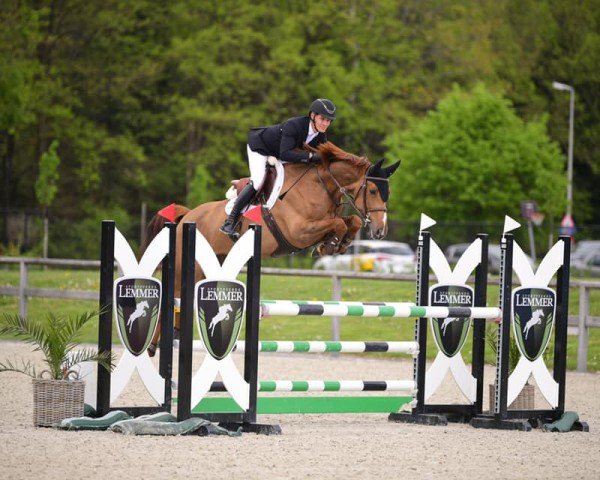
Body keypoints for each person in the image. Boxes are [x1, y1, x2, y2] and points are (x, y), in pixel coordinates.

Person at [220, 98, 336, 239]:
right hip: (261, 148)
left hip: (279, 154)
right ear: (312, 116)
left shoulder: (321, 136)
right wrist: (311, 156)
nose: (325, 123)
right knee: (257, 181)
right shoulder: (294, 125)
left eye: (328, 121)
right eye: (322, 119)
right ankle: (230, 222)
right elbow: (285, 153)